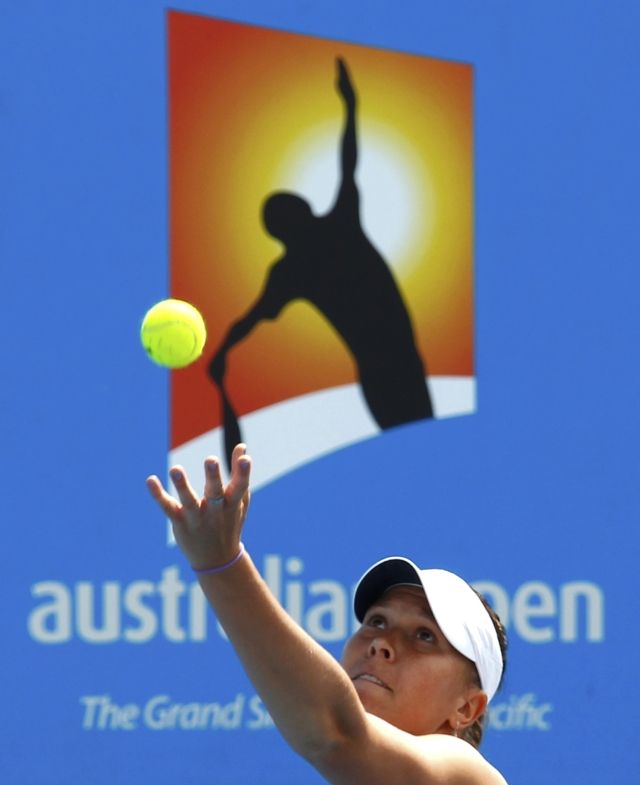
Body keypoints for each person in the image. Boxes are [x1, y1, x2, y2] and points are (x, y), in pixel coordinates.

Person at [147, 445, 508, 785]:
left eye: (425, 635)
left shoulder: (468, 772)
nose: (382, 642)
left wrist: (221, 564)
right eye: (376, 621)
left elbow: (336, 734)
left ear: (467, 707)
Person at [209, 58, 433, 469]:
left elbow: (348, 161)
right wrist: (350, 106)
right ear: (294, 219)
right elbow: (348, 162)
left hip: (392, 371)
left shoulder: (296, 266)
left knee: (421, 459)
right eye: (292, 207)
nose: (302, 204)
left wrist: (222, 352)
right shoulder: (325, 237)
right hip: (390, 372)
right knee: (421, 459)